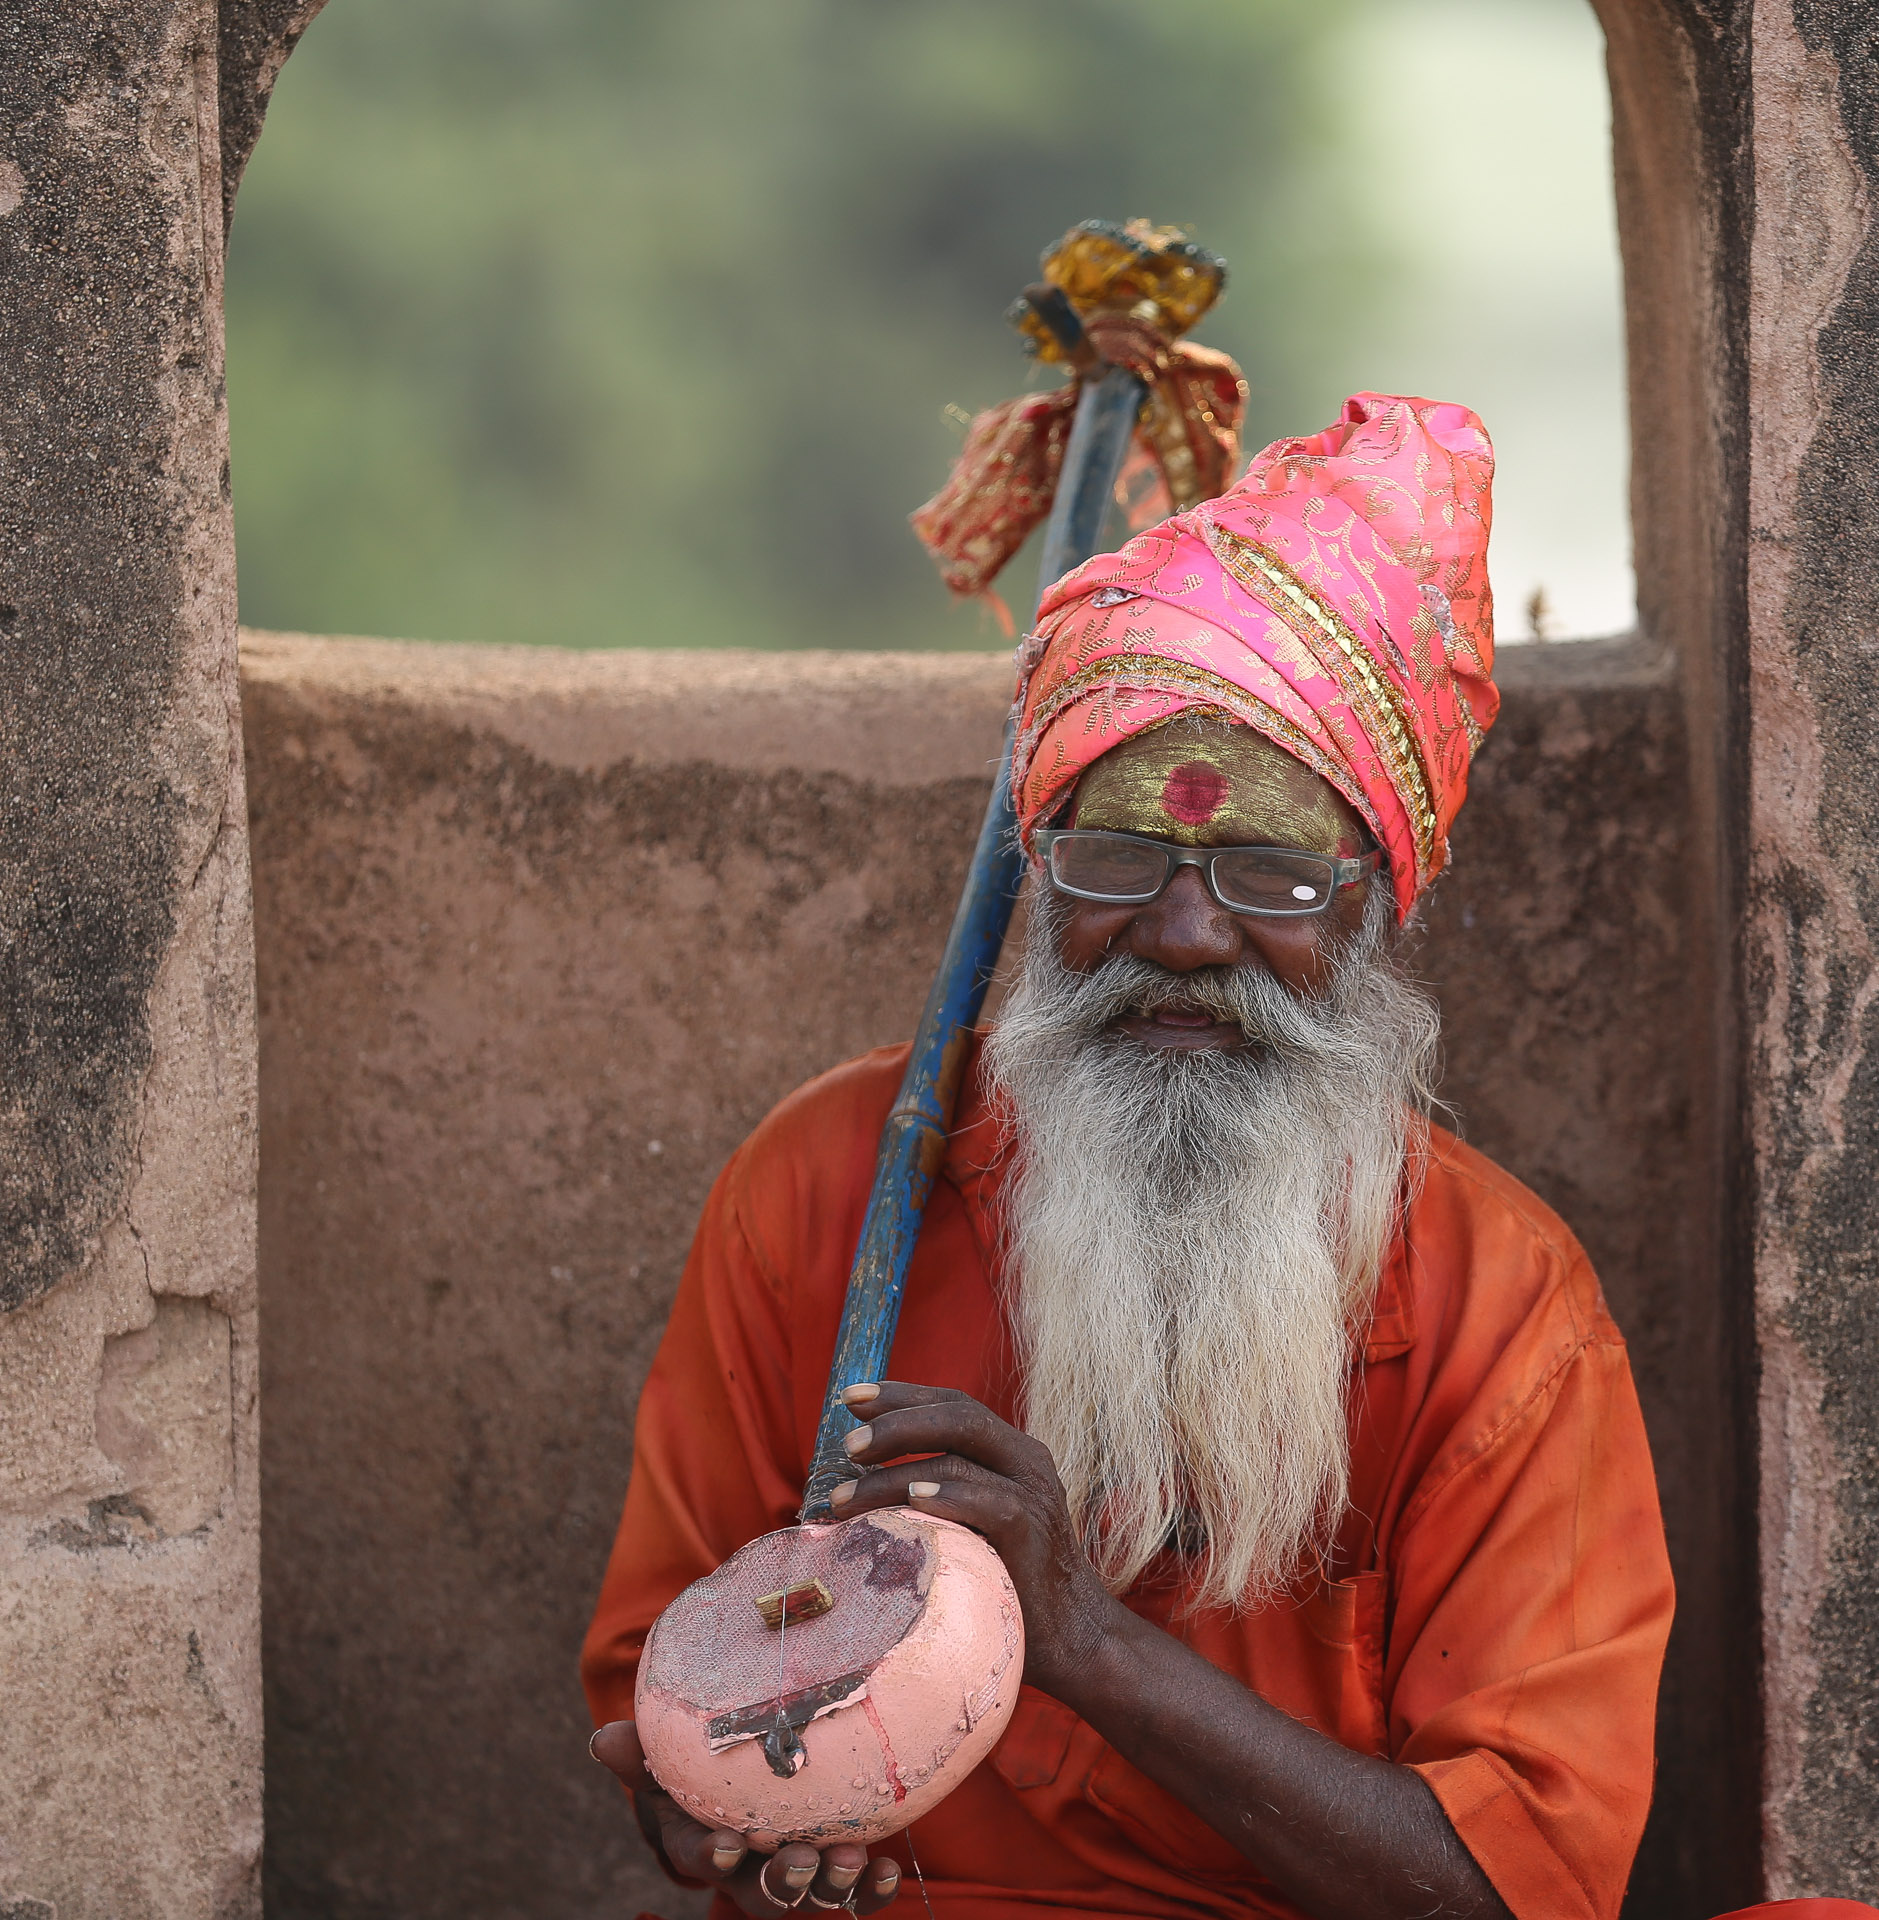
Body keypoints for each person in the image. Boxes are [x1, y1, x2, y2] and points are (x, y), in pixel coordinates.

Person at [582, 395, 1672, 1920]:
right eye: (1115, 861)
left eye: (1271, 874)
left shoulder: (1501, 1305)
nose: (1182, 933)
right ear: (1037, 876)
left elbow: (1518, 1892)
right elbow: (663, 1714)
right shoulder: (834, 1188)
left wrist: (1081, 1642)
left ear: (1373, 908)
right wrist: (725, 1808)